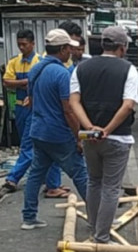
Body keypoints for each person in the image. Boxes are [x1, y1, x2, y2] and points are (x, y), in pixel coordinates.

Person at [71, 26, 138, 244]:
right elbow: (128, 105)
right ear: (122, 47)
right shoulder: (128, 70)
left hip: (89, 137)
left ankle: (94, 226)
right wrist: (107, 130)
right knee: (111, 187)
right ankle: (101, 236)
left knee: (94, 182)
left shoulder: (81, 68)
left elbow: (74, 102)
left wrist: (90, 127)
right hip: (117, 138)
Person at [20, 29, 90, 230]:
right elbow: (68, 110)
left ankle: (29, 217)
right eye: (69, 48)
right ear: (62, 49)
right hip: (58, 133)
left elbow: (31, 101)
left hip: (38, 131)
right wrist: (78, 137)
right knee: (80, 173)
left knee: (36, 174)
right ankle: (97, 217)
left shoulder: (35, 70)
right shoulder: (61, 74)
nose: (71, 52)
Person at [2, 30, 67, 197]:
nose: (22, 47)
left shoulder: (39, 62)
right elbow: (6, 82)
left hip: (36, 110)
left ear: (32, 44)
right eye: (19, 44)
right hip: (21, 108)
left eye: (24, 44)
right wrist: (26, 82)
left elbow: (15, 82)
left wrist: (21, 83)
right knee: (33, 147)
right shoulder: (15, 62)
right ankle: (49, 184)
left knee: (34, 146)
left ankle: (16, 178)